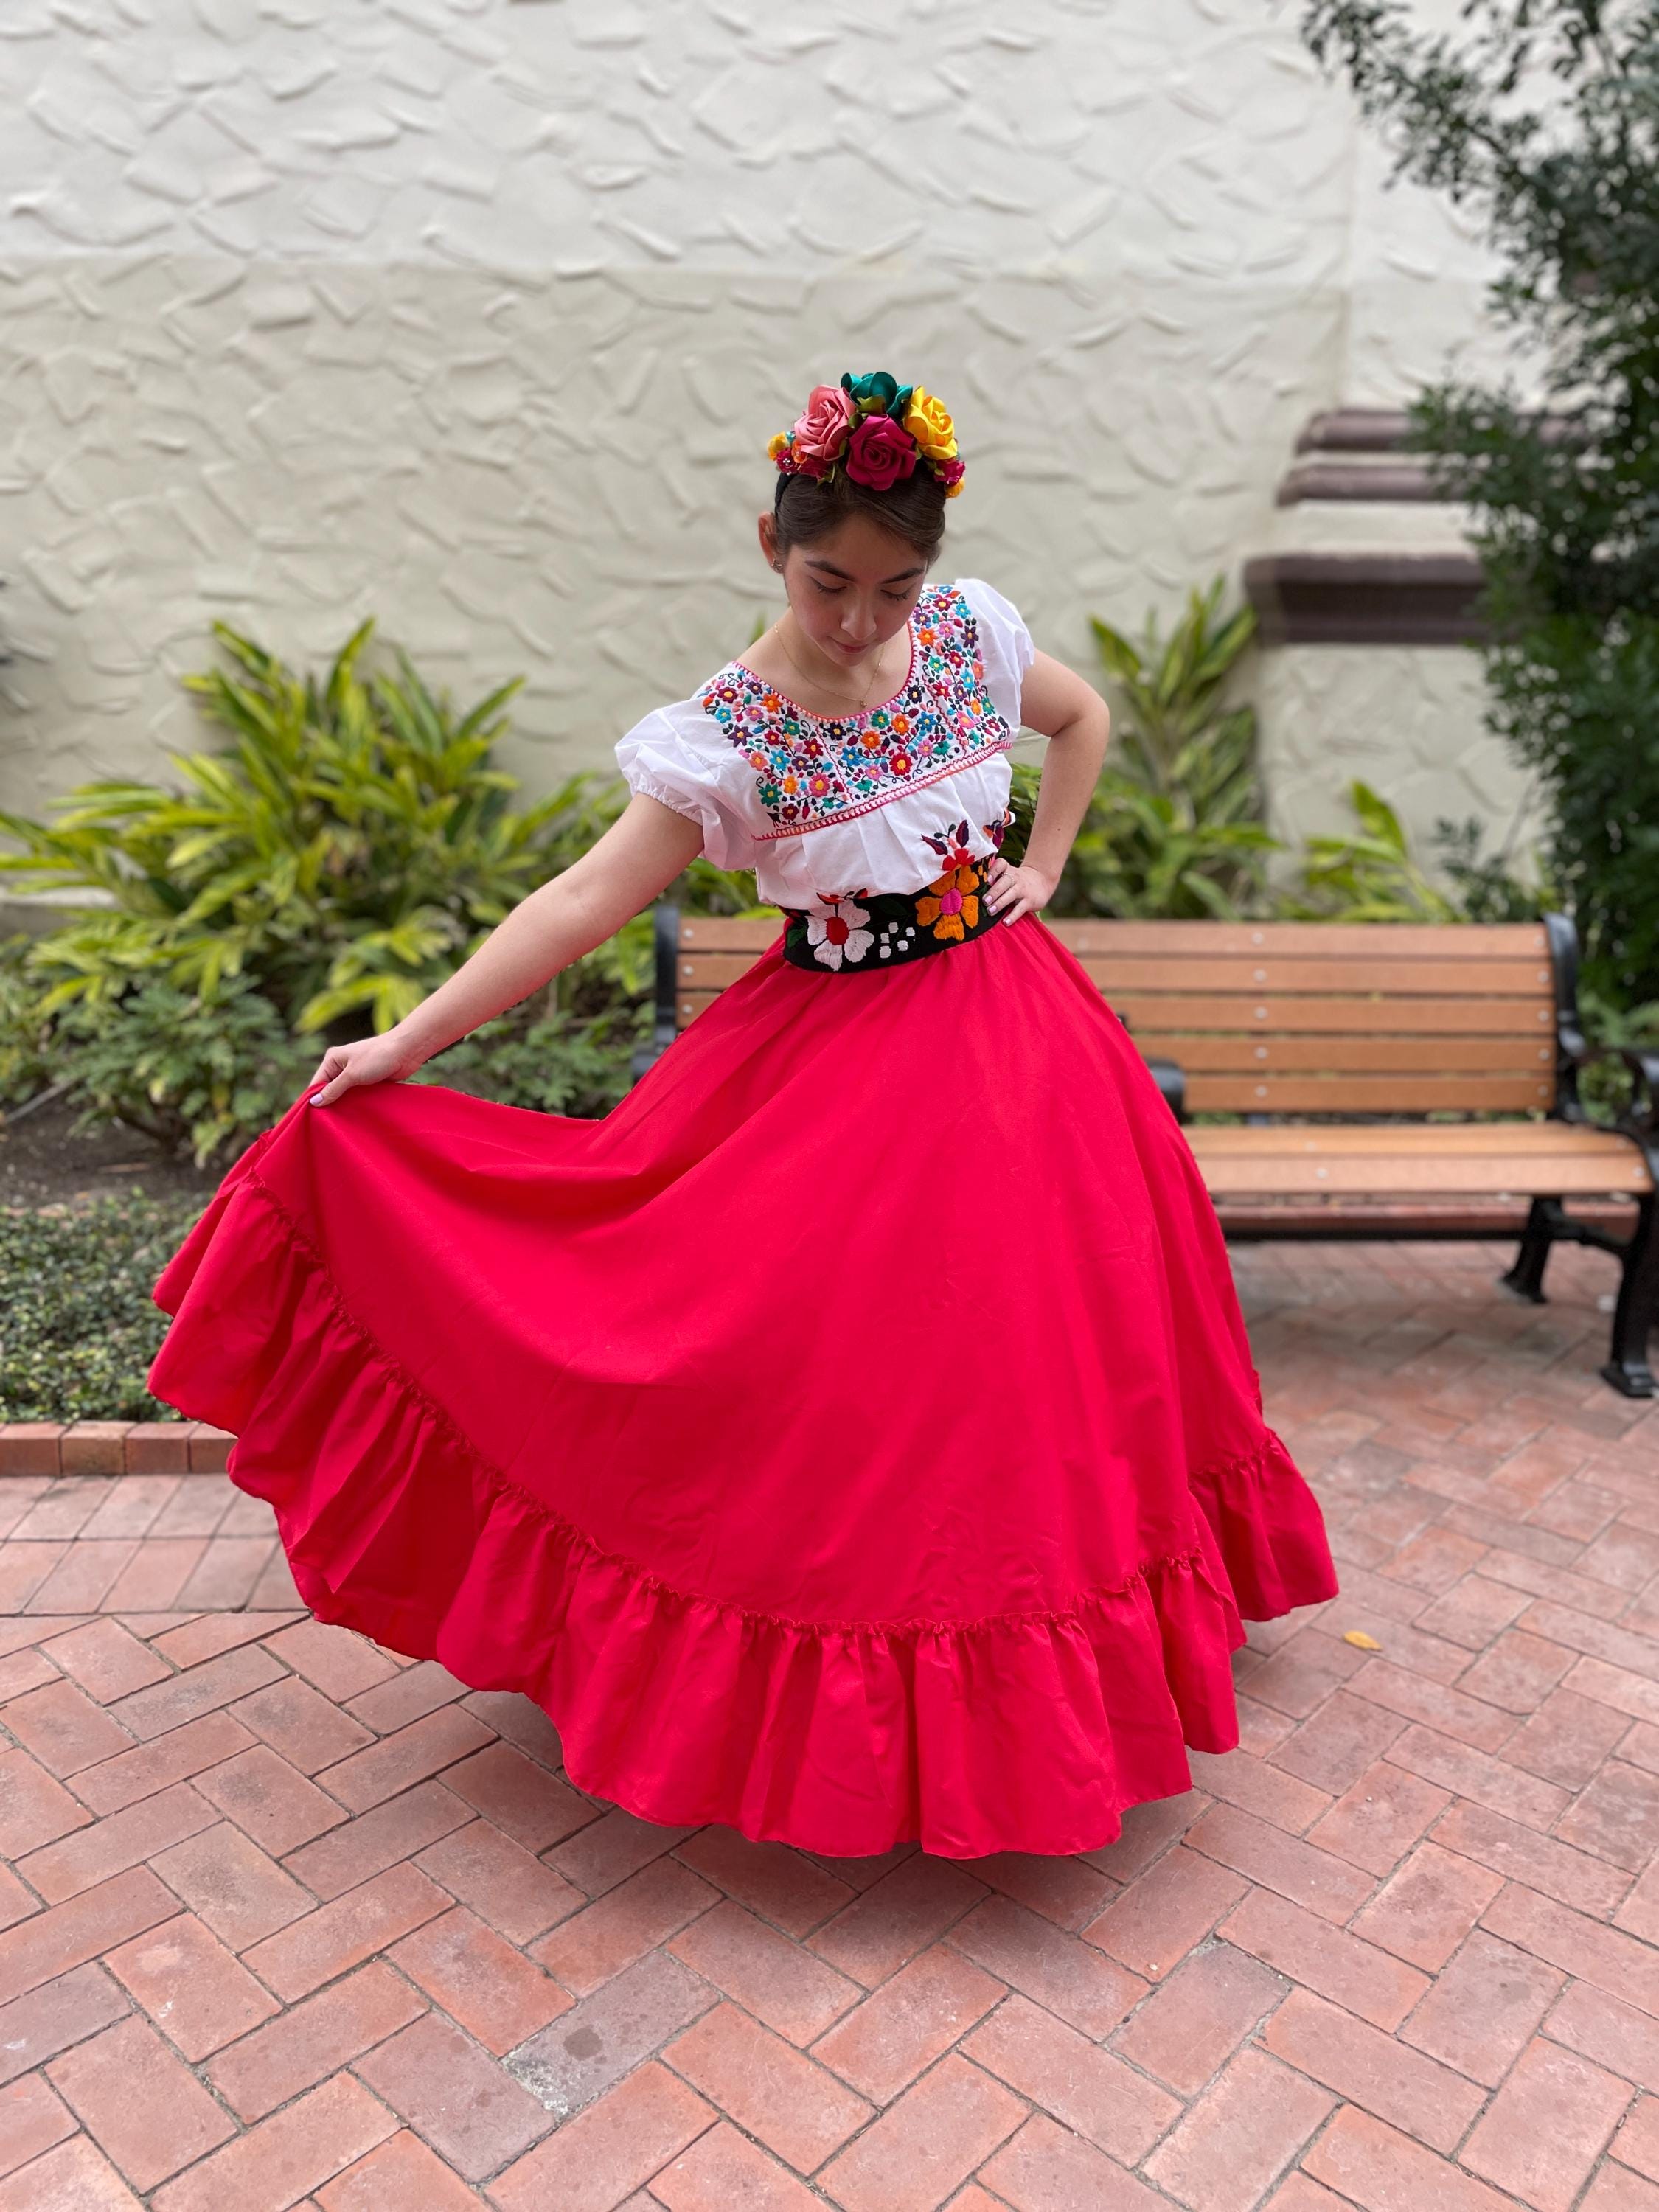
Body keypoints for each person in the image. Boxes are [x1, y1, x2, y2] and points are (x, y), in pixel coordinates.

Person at [149, 371, 1339, 1861]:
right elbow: (584, 897)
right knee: (815, 1379)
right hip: (839, 1071)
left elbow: (1084, 715)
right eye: (830, 580)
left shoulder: (969, 639)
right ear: (770, 545)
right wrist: (410, 1036)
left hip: (1030, 1050)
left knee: (1050, 1363)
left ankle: (1063, 1682)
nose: (862, 619)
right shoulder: (728, 734)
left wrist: (1047, 860)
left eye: (893, 585)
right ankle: (859, 1703)